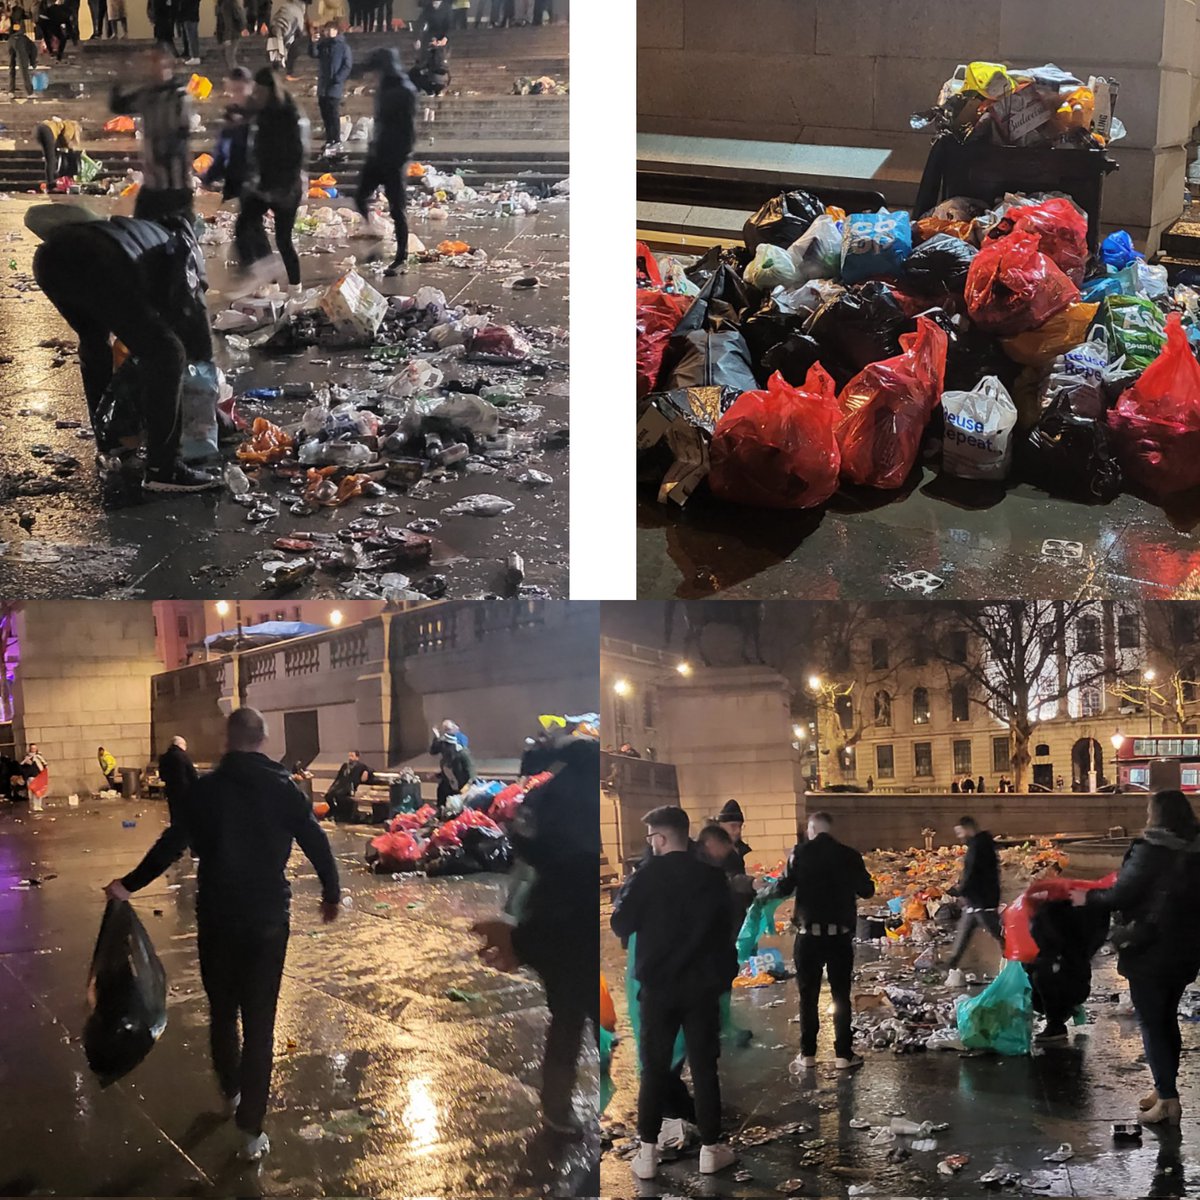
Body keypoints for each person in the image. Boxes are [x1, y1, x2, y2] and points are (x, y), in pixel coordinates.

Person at [105, 708, 340, 1162]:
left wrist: (127, 886)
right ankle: (251, 1128)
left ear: (227, 739)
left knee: (222, 1011)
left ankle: (231, 1090)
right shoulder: (284, 789)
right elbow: (315, 841)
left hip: (217, 917)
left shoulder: (206, 791)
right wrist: (331, 892)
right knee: (260, 1023)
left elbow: (172, 843)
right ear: (264, 738)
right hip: (268, 917)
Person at [28, 205, 221, 492]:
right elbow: (193, 315)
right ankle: (163, 469)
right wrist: (208, 394)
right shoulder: (181, 244)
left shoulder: (139, 230)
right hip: (96, 260)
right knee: (168, 353)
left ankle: (111, 443)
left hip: (48, 260)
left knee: (95, 343)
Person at [473, 723, 599, 1136]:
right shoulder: (587, 800)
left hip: (549, 920)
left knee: (565, 1019)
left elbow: (524, 854)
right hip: (576, 924)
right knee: (601, 1020)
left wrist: (516, 925)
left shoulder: (544, 796)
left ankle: (556, 1108)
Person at [610, 805, 739, 1180]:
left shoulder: (646, 876)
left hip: (658, 990)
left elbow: (621, 923)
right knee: (704, 1068)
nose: (650, 843)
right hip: (701, 990)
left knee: (654, 1068)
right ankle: (711, 1151)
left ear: (661, 838)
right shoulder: (712, 878)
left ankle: (647, 1156)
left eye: (652, 837)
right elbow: (725, 930)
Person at [1078, 790, 1200, 1125]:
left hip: (1150, 948)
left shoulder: (1151, 849)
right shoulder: (1195, 848)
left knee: (1153, 1022)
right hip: (1186, 948)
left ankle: (1168, 1102)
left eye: (1149, 810)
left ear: (1157, 815)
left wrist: (1085, 896)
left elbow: (1121, 893)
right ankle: (1163, 1088)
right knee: (1167, 1017)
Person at [772, 811, 873, 1072]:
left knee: (808, 996)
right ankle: (843, 1055)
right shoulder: (849, 855)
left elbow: (783, 888)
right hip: (839, 936)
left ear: (812, 829)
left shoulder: (799, 853)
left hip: (808, 936)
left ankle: (807, 1055)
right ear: (830, 829)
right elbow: (867, 890)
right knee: (840, 995)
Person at [234, 67, 308, 294]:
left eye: (260, 89)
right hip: (265, 182)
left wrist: (281, 188)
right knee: (244, 224)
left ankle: (295, 287)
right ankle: (268, 274)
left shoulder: (290, 114)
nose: (257, 93)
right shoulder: (262, 111)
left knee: (284, 240)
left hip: (287, 186)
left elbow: (296, 154)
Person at [110, 45, 194, 222]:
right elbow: (118, 105)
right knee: (143, 227)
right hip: (152, 183)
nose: (153, 70)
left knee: (179, 231)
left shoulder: (178, 96)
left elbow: (182, 133)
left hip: (175, 184)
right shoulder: (147, 95)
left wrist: (163, 151)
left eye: (158, 64)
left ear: (168, 66)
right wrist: (121, 78)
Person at [355, 46, 415, 277]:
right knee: (360, 196)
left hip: (395, 156)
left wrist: (401, 157)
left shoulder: (403, 90)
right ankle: (374, 237)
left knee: (398, 208)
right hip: (378, 152)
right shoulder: (385, 88)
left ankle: (401, 256)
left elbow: (407, 130)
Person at [944, 816, 1002, 985]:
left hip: (982, 900)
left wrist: (959, 890)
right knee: (964, 930)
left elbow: (973, 873)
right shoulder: (982, 844)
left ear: (968, 828)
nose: (959, 836)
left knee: (998, 933)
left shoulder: (978, 846)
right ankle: (951, 964)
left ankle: (1019, 959)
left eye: (960, 832)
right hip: (975, 900)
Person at [202, 66, 253, 200]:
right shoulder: (230, 117)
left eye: (240, 90)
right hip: (234, 183)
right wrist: (208, 178)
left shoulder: (259, 116)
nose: (237, 96)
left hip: (255, 186)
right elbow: (223, 152)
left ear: (250, 87)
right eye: (233, 91)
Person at [314, 20, 350, 154]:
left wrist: (338, 79)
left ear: (336, 31)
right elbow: (313, 53)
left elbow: (347, 65)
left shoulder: (343, 47)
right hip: (323, 85)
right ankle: (329, 140)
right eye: (326, 30)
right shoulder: (323, 45)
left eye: (331, 30)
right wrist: (312, 42)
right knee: (325, 114)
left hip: (334, 86)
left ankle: (336, 140)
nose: (328, 32)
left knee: (333, 113)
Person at [429, 719, 474, 812]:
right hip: (448, 786)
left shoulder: (462, 754)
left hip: (460, 788)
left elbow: (471, 773)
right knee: (442, 792)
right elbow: (447, 772)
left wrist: (466, 788)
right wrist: (437, 775)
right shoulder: (445, 759)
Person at [158, 734, 198, 828]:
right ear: (181, 745)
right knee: (185, 816)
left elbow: (162, 775)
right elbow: (192, 774)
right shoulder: (184, 756)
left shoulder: (164, 757)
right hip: (185, 790)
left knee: (174, 814)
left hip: (171, 790)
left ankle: (175, 831)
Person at [35, 116, 83, 192]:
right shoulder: (70, 125)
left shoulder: (60, 124)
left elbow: (59, 139)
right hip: (47, 130)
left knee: (50, 158)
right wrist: (70, 147)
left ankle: (51, 182)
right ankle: (50, 185)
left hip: (40, 129)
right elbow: (66, 137)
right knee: (51, 159)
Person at [323, 748, 371, 822]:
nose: (350, 758)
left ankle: (340, 814)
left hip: (349, 787)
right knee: (328, 795)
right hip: (340, 786)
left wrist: (366, 772)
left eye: (352, 756)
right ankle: (334, 810)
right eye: (349, 756)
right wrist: (331, 787)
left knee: (339, 795)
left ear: (357, 757)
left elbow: (370, 770)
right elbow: (338, 778)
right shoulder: (345, 765)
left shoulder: (361, 766)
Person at [267, 0, 305, 78]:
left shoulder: (285, 6)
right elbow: (299, 31)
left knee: (275, 48)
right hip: (287, 30)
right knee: (292, 49)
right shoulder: (299, 12)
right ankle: (288, 72)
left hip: (275, 27)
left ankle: (275, 70)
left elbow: (276, 16)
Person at [714, 799, 751, 872]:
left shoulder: (739, 850)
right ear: (720, 826)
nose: (738, 831)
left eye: (740, 826)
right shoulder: (713, 853)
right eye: (733, 826)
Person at [7, 2, 32, 96]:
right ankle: (29, 91)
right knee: (23, 66)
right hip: (18, 38)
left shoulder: (6, 10)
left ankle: (11, 90)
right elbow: (24, 22)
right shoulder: (18, 10)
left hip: (9, 40)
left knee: (11, 66)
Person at [214, 0, 244, 69]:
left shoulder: (226, 4)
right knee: (230, 58)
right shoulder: (230, 3)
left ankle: (237, 77)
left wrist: (227, 37)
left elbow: (228, 22)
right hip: (234, 33)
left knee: (230, 58)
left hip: (231, 35)